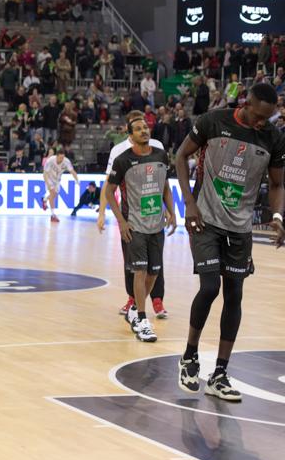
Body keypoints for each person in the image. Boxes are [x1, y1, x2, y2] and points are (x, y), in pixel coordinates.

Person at [175, 83, 285, 401]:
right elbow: (181, 156)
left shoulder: (273, 138)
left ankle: (220, 373)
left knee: (234, 294)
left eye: (270, 117)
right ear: (246, 104)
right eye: (260, 115)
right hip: (206, 219)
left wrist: (278, 217)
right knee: (210, 287)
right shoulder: (214, 121)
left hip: (240, 228)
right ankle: (190, 356)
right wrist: (189, 204)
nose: (265, 122)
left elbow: (278, 184)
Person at [105, 117, 177, 343]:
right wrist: (121, 221)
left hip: (156, 226)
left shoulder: (160, 155)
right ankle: (143, 319)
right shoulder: (122, 160)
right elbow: (109, 192)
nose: (144, 131)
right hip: (134, 226)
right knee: (140, 271)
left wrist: (172, 211)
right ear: (130, 135)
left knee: (154, 272)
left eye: (145, 127)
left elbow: (165, 186)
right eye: (138, 129)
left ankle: (135, 309)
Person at [39, 149, 79, 223]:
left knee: (54, 195)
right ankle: (53, 215)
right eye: (60, 157)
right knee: (52, 193)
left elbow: (72, 171)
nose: (61, 159)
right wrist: (47, 184)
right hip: (49, 178)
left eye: (63, 157)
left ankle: (44, 199)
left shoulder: (66, 161)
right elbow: (44, 174)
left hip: (57, 180)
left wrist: (77, 180)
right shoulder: (50, 160)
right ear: (56, 156)